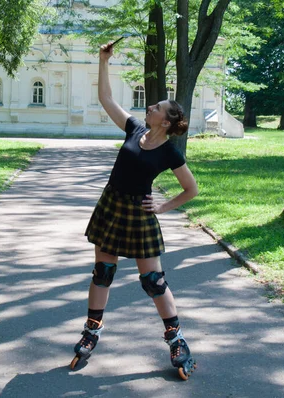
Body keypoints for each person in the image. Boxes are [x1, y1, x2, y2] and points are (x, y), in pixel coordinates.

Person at [70, 40, 199, 380]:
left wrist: (164, 206)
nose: (150, 106)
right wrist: (103, 62)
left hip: (140, 215)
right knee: (103, 273)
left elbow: (191, 189)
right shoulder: (134, 129)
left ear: (168, 121)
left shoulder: (171, 152)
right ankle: (91, 330)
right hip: (112, 206)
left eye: (157, 107)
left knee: (154, 281)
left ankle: (176, 339)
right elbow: (107, 100)